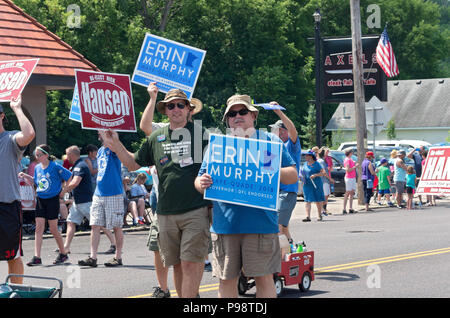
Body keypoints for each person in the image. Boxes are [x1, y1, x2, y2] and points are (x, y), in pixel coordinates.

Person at [100, 87, 210, 298]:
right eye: (171, 106)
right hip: (166, 212)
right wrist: (116, 144)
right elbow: (133, 164)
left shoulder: (201, 134)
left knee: (191, 263)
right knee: (177, 264)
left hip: (195, 210)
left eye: (180, 104)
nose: (176, 109)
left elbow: (217, 167)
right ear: (165, 111)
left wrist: (214, 206)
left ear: (188, 109)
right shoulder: (156, 137)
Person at [195, 94, 298, 298]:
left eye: (242, 112)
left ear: (253, 115)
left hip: (261, 225)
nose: (237, 116)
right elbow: (199, 181)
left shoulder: (268, 142)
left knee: (264, 279)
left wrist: (267, 170)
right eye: (232, 114)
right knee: (226, 280)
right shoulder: (219, 146)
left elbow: (292, 175)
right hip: (226, 227)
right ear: (227, 120)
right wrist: (202, 183)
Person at [0, 96, 35, 284]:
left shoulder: (10, 138)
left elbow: (29, 134)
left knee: (12, 255)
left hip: (7, 207)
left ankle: (16, 292)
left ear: (1, 116)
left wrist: (17, 108)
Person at [78, 132, 125, 267]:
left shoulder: (115, 148)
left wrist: (104, 130)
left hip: (113, 193)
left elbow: (113, 146)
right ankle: (93, 257)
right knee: (95, 225)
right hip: (99, 193)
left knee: (116, 226)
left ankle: (118, 257)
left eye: (102, 131)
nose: (99, 133)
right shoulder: (100, 151)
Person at [19, 144, 72, 266]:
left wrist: (64, 191)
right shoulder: (37, 167)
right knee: (38, 228)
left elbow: (69, 176)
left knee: (53, 229)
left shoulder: (55, 166)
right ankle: (37, 257)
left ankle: (63, 253)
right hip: (41, 199)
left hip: (52, 200)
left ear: (46, 155)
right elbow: (36, 182)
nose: (37, 157)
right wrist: (26, 176)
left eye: (39, 155)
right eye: (35, 155)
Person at [60, 145, 116, 255]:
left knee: (99, 223)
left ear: (72, 155)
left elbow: (75, 182)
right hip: (78, 201)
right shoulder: (78, 165)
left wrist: (63, 191)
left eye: (67, 155)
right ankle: (66, 247)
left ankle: (114, 244)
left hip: (86, 201)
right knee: (70, 222)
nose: (66, 158)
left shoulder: (80, 166)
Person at [269, 104, 301, 244]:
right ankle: (292, 252)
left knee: (278, 227)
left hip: (286, 192)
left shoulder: (291, 145)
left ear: (284, 131)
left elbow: (293, 130)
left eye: (277, 129)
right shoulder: (274, 147)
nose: (274, 132)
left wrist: (279, 113)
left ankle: (280, 258)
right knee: (284, 227)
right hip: (277, 192)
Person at [301, 150, 326, 222]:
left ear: (311, 156)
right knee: (307, 200)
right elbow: (303, 172)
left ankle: (319, 215)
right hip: (307, 184)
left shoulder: (317, 164)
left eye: (307, 155)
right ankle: (308, 216)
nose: (305, 157)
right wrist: (301, 176)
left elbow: (323, 172)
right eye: (305, 155)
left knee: (318, 200)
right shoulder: (305, 164)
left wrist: (315, 175)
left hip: (316, 184)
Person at [317, 147, 334, 216]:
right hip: (323, 180)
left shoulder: (322, 160)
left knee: (326, 195)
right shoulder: (321, 161)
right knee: (324, 195)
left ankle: (323, 210)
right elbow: (323, 172)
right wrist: (330, 179)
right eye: (325, 152)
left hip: (324, 180)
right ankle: (322, 210)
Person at [343, 148, 358, 214]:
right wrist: (355, 167)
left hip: (353, 177)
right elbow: (347, 170)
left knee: (352, 192)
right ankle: (344, 208)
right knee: (348, 192)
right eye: (351, 152)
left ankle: (350, 208)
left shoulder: (350, 159)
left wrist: (353, 164)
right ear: (350, 153)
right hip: (349, 177)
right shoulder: (347, 160)